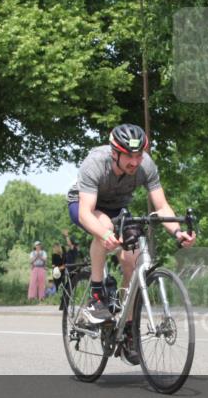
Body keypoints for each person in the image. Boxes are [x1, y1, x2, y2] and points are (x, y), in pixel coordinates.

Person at [66, 123, 196, 324]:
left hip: (118, 208)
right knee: (105, 227)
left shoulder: (146, 166)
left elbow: (162, 207)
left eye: (139, 155)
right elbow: (85, 213)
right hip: (84, 204)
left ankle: (126, 328)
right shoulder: (95, 163)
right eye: (129, 156)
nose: (135, 162)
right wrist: (105, 234)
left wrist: (178, 232)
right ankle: (96, 297)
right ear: (115, 153)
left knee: (136, 263)